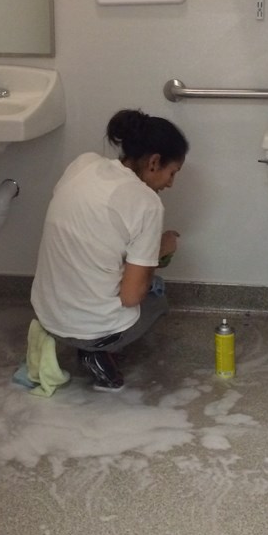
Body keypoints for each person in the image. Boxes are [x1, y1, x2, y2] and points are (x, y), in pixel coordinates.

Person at [30, 108, 189, 391]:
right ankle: (98, 351)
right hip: (90, 330)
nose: (171, 183)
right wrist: (158, 250)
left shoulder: (83, 164)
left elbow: (86, 233)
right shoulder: (146, 203)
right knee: (156, 295)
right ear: (154, 162)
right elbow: (131, 296)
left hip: (46, 313)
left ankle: (74, 337)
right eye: (172, 172)